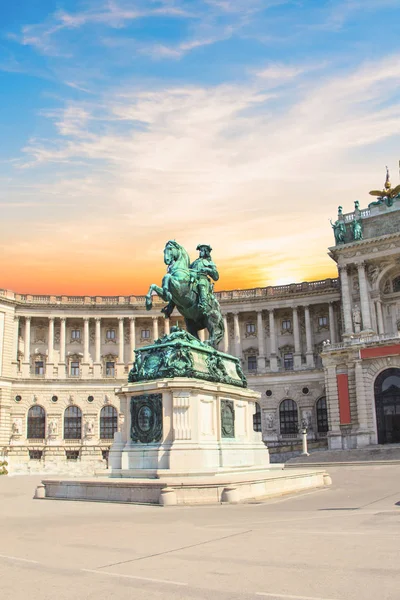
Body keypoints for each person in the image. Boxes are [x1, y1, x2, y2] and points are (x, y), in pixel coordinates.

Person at [189, 244, 219, 312]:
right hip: (194, 279)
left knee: (201, 284)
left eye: (202, 250)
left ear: (206, 252)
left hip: (203, 280)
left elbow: (216, 276)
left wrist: (207, 270)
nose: (200, 252)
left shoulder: (209, 262)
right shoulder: (195, 262)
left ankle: (204, 303)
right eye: (200, 251)